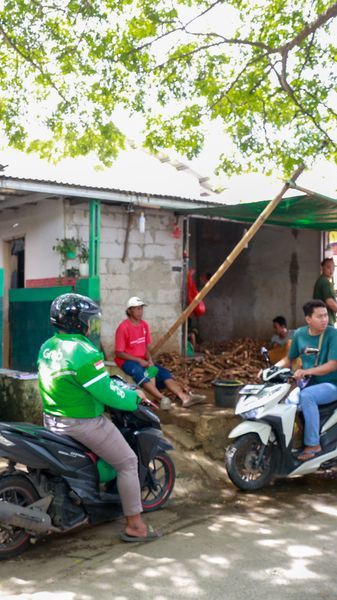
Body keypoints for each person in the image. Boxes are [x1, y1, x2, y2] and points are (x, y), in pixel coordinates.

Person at [38, 293, 160, 543]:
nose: (91, 325)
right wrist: (135, 397)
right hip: (83, 423)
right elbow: (106, 392)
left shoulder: (48, 346)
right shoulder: (83, 351)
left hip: (52, 419)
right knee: (127, 462)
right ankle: (135, 526)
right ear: (78, 322)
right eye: (88, 320)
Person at [114, 296, 206, 409]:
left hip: (143, 360)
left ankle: (184, 397)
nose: (140, 311)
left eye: (141, 308)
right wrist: (139, 360)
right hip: (127, 361)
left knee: (163, 373)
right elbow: (119, 353)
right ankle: (162, 399)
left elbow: (145, 347)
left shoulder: (144, 325)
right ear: (129, 311)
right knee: (140, 373)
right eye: (137, 309)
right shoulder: (123, 327)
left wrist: (150, 360)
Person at [276, 299, 337, 461]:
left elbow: (332, 365)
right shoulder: (300, 334)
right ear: (308, 319)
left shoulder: (333, 334)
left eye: (326, 316)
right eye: (320, 316)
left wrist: (306, 371)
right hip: (311, 383)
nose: (325, 319)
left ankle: (313, 445)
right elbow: (289, 359)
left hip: (332, 384)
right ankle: (288, 444)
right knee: (287, 402)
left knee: (307, 396)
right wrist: (271, 370)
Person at [313, 257, 337, 325]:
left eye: (333, 268)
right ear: (322, 267)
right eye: (328, 267)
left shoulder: (321, 280)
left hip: (320, 319)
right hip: (325, 320)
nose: (331, 270)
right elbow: (330, 302)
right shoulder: (324, 282)